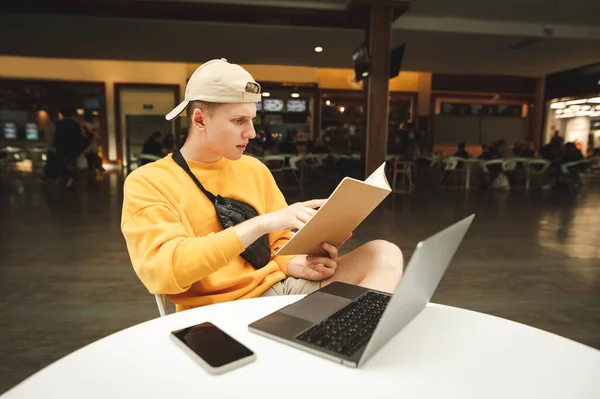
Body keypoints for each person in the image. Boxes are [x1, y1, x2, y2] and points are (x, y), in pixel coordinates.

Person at [121, 59, 403, 312]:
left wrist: (301, 264)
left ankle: (350, 337)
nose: (252, 132)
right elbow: (164, 272)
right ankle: (341, 337)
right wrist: (260, 224)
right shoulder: (149, 182)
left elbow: (279, 245)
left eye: (252, 120)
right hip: (217, 312)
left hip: (281, 292)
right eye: (238, 120)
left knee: (383, 252)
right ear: (199, 119)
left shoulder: (254, 168)